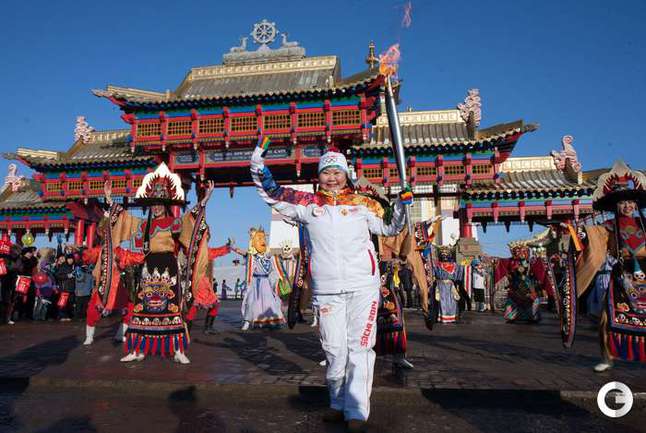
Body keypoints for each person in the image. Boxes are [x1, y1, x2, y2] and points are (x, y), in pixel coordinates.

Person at [251, 138, 408, 432]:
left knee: (360, 347)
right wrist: (258, 162)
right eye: (326, 172)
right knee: (334, 349)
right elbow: (273, 193)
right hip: (326, 290)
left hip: (362, 286)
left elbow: (390, 226)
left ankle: (357, 410)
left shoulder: (363, 203)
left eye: (337, 172)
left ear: (346, 175)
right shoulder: (307, 205)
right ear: (319, 175)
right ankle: (338, 403)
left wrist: (401, 205)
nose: (332, 177)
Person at [100, 162, 215, 364]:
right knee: (142, 308)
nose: (157, 206)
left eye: (160, 203)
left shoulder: (175, 223)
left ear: (166, 205)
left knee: (172, 307)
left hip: (169, 267)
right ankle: (137, 350)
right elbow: (124, 218)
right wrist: (109, 199)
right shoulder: (144, 224)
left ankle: (178, 350)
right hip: (149, 267)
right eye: (153, 203)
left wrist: (205, 200)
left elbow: (192, 219)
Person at [569, 160, 646, 372]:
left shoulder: (644, 224)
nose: (627, 206)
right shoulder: (608, 227)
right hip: (621, 278)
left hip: (645, 276)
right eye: (622, 203)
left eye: (631, 202)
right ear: (615, 206)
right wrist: (578, 234)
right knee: (607, 319)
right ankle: (607, 357)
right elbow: (591, 240)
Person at [232, 227, 286, 330]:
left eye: (263, 240)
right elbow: (242, 252)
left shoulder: (269, 256)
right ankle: (247, 321)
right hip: (254, 282)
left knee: (269, 302)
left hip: (266, 282)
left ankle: (272, 321)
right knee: (252, 301)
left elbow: (279, 255)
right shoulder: (252, 256)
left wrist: (282, 249)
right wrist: (232, 246)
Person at [495, 243, 553, 323]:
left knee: (531, 300)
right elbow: (505, 267)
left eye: (523, 251)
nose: (520, 253)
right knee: (513, 300)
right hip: (515, 285)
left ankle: (532, 317)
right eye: (517, 251)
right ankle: (512, 316)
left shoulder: (531, 261)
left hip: (528, 286)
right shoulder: (511, 261)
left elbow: (537, 270)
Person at [430, 245, 464, 324]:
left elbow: (458, 276)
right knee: (442, 302)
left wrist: (457, 284)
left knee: (452, 302)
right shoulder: (437, 265)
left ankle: (452, 317)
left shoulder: (455, 266)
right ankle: (443, 317)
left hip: (450, 286)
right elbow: (433, 275)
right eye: (442, 253)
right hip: (441, 286)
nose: (444, 255)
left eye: (446, 253)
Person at [55, 254, 76, 322]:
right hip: (64, 288)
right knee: (63, 303)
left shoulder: (73, 267)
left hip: (71, 288)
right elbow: (57, 275)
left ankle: (67, 316)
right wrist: (67, 276)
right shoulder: (63, 266)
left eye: (72, 259)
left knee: (70, 303)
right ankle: (61, 316)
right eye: (69, 259)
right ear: (66, 259)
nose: (70, 260)